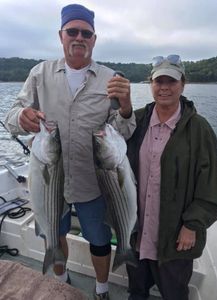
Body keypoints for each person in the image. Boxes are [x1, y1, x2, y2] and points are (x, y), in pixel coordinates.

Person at [5, 4, 136, 300]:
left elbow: (123, 132)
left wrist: (126, 107)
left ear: (94, 38)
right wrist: (21, 116)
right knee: (56, 233)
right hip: (49, 181)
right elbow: (12, 115)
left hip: (93, 183)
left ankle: (101, 290)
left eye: (86, 33)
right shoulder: (39, 73)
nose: (79, 37)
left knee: (99, 239)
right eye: (72, 31)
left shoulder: (109, 78)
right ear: (61, 35)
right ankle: (61, 282)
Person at [126, 54, 217, 300]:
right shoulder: (135, 121)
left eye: (172, 81)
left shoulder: (200, 130)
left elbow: (210, 187)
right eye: (159, 82)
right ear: (151, 84)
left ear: (183, 84)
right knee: (137, 291)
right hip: (138, 232)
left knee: (174, 294)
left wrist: (192, 225)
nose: (165, 88)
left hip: (175, 236)